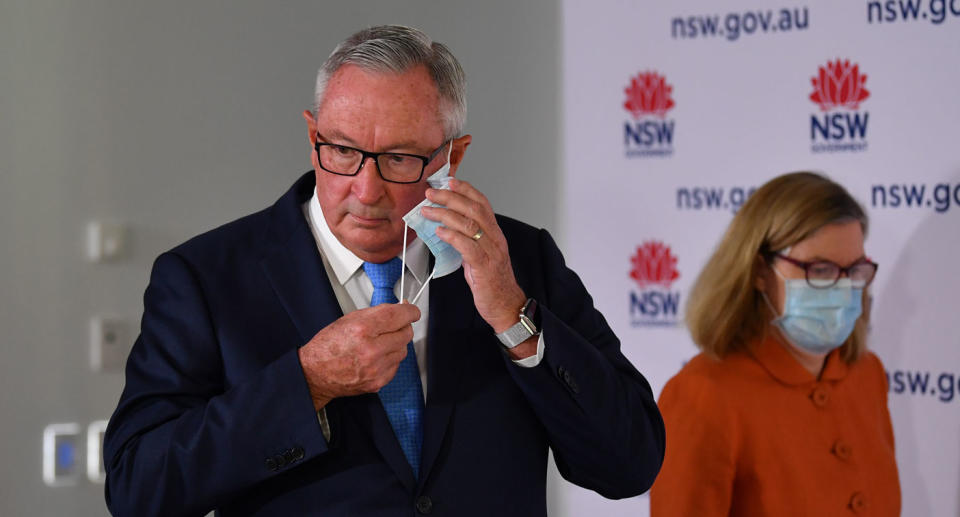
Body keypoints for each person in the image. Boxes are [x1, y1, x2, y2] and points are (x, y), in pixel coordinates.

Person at [103, 25, 664, 517]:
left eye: (400, 159)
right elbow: (139, 488)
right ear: (312, 135)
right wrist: (307, 383)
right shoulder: (206, 278)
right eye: (343, 151)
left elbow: (629, 466)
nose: (366, 191)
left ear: (452, 157)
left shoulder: (519, 258)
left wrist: (513, 317)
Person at [650, 172, 900, 516]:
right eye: (821, 270)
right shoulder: (703, 394)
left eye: (855, 270)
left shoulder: (867, 374)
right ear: (758, 271)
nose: (843, 288)